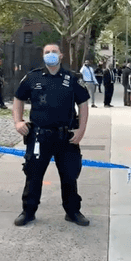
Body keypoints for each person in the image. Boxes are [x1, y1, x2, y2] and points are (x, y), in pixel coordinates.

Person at [11, 43, 91, 227]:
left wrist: (81, 130)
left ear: (61, 55)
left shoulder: (72, 78)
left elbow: (83, 104)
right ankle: (28, 211)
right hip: (39, 136)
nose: (50, 54)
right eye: (47, 52)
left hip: (66, 136)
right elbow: (18, 98)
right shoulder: (32, 77)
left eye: (54, 52)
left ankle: (73, 212)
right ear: (43, 55)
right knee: (33, 175)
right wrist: (18, 121)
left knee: (70, 175)